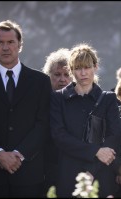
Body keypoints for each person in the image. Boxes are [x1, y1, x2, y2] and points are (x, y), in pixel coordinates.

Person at [0, 20, 52, 197]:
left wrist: (18, 154)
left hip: (28, 174)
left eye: (10, 42)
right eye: (0, 42)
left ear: (20, 45)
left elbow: (43, 123)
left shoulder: (40, 81)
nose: (5, 47)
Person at [50, 43, 121, 198]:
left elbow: (113, 136)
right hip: (67, 173)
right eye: (77, 68)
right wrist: (94, 151)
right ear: (71, 70)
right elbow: (59, 135)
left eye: (87, 67)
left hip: (100, 173)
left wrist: (91, 171)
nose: (83, 73)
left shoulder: (108, 99)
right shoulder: (58, 98)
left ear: (95, 67)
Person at [41, 48, 73, 196]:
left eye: (67, 75)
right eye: (57, 74)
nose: (62, 79)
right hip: (45, 167)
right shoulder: (40, 102)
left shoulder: (84, 102)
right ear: (48, 76)